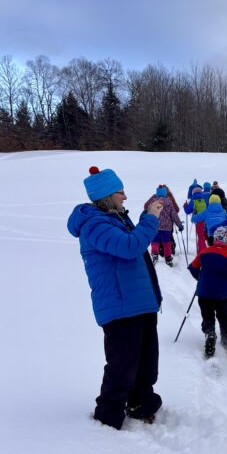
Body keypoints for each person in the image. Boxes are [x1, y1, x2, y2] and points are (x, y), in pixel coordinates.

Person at [67, 166, 163, 428]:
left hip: (140, 304)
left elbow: (133, 241)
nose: (125, 196)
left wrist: (145, 217)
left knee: (146, 363)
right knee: (122, 366)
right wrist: (151, 219)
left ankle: (140, 403)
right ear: (108, 195)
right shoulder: (94, 224)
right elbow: (129, 247)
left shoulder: (117, 219)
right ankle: (107, 417)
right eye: (121, 192)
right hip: (120, 307)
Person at [188, 226, 227, 357]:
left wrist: (200, 278)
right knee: (222, 316)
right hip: (221, 294)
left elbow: (193, 267)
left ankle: (210, 334)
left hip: (204, 292)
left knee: (207, 315)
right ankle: (225, 338)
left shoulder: (204, 252)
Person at [143, 185, 183, 266]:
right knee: (166, 242)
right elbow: (174, 214)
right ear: (165, 193)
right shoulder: (169, 202)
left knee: (155, 241)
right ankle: (168, 257)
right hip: (167, 228)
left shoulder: (153, 202)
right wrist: (179, 225)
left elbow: (149, 212)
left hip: (156, 226)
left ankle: (154, 254)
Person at [184, 182, 209, 253]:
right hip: (206, 221)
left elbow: (188, 211)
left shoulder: (193, 201)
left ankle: (202, 251)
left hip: (198, 221)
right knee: (204, 236)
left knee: (200, 237)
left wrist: (185, 206)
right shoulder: (204, 200)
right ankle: (204, 249)